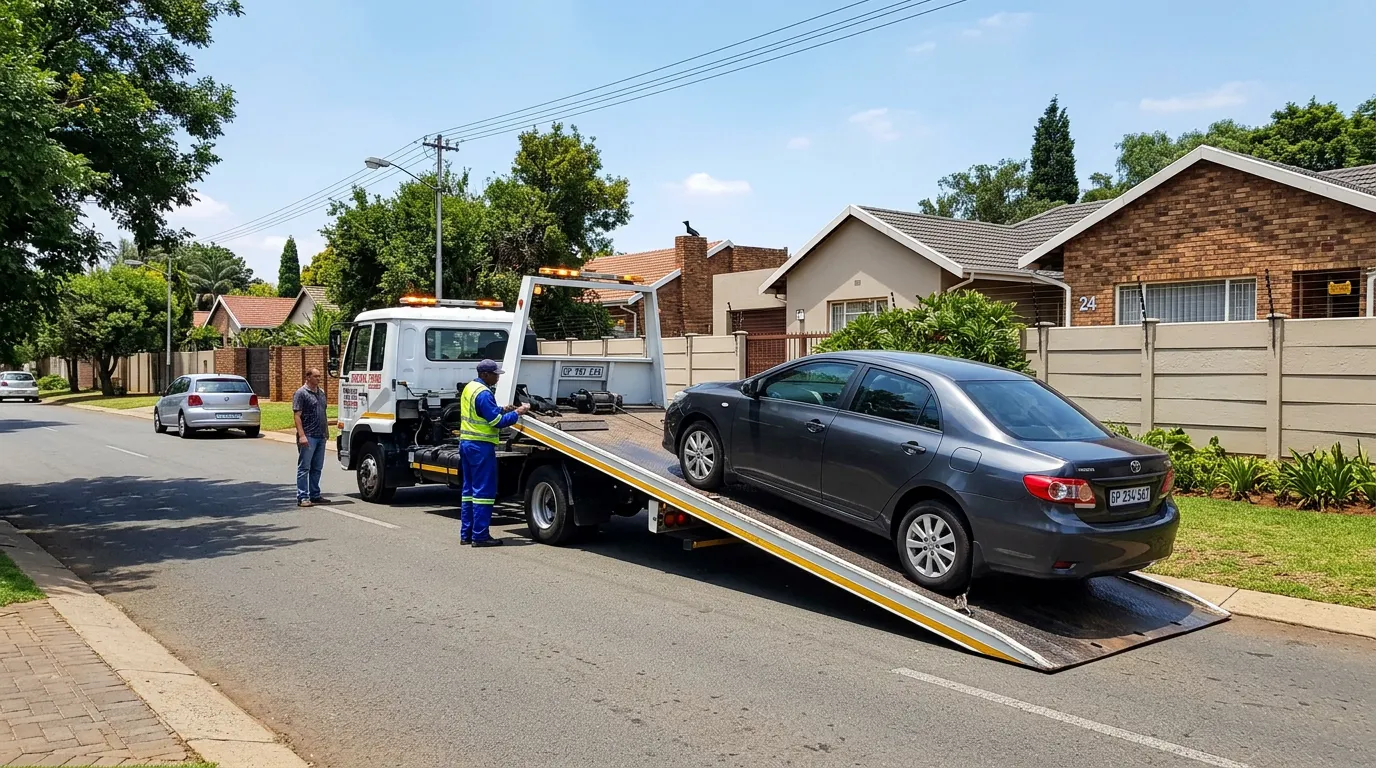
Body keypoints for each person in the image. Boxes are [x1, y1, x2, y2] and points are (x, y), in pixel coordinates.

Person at [460, 359, 529, 546]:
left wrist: (502, 409)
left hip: (467, 444)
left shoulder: (471, 388)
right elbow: (496, 422)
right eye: (495, 374)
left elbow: (482, 412)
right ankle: (480, 536)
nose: (497, 377)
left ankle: (466, 534)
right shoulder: (483, 393)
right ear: (485, 375)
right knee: (484, 492)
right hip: (480, 446)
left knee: (468, 491)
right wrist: (518, 412)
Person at [292, 368, 330, 507]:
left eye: (319, 376)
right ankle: (303, 496)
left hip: (320, 436)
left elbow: (323, 414)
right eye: (315, 376)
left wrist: (326, 433)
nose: (318, 379)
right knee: (304, 467)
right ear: (307, 377)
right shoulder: (301, 393)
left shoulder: (321, 393)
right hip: (308, 435)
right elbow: (297, 415)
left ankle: (315, 494)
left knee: (317, 467)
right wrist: (302, 435)